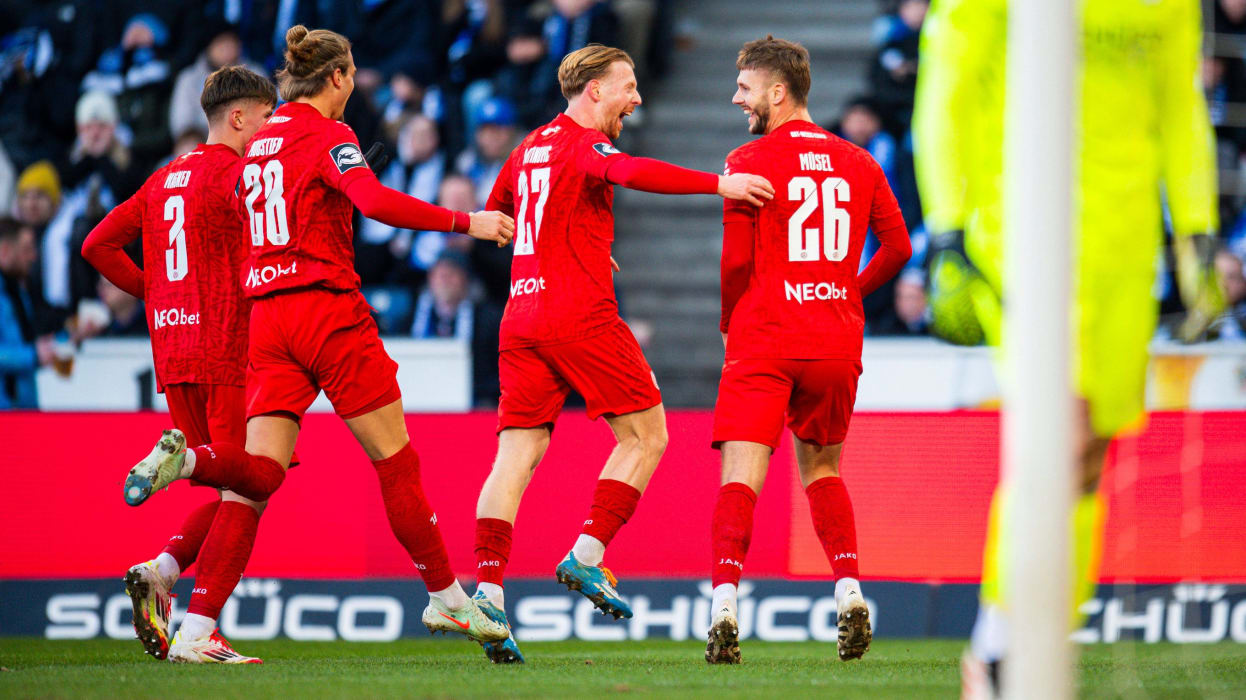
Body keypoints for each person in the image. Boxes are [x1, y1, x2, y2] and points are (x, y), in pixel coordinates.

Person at [116, 25, 515, 652]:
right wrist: (469, 221)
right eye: (351, 75)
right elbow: (374, 200)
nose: (354, 86)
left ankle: (195, 620)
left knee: (255, 482)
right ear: (336, 77)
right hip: (326, 314)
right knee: (397, 462)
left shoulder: (258, 145)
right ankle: (445, 597)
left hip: (267, 322)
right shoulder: (329, 134)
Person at [912, 1, 1223, 696]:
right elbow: (947, 89)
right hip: (1021, 230)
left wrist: (1197, 232)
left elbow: (1179, 105)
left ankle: (1019, 641)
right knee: (1060, 432)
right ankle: (1004, 655)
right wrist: (947, 226)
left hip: (1126, 246)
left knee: (1085, 458)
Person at [471, 43, 773, 664]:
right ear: (594, 91)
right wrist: (722, 184)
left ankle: (487, 594)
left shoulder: (529, 146)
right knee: (647, 435)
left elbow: (501, 214)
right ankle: (586, 557)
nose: (636, 98)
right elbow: (630, 172)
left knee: (516, 455)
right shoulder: (587, 143)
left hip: (519, 316)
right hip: (577, 313)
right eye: (627, 86)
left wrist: (564, 240)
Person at [705, 36, 911, 666]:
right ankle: (849, 592)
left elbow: (737, 259)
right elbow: (899, 248)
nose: (737, 97)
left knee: (742, 475)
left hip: (765, 335)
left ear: (777, 90)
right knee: (822, 471)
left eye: (745, 87)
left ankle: (723, 606)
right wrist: (848, 290)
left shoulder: (749, 157)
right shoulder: (861, 161)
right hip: (834, 337)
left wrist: (726, 324)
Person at [82, 65, 278, 664]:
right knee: (250, 488)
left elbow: (96, 245)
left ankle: (161, 572)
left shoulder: (163, 177)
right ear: (239, 118)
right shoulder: (240, 174)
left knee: (229, 488)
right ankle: (198, 632)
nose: (271, 130)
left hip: (174, 351)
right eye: (267, 117)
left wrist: (161, 293)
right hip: (228, 348)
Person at [0, 218, 52, 409]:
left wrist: (73, 337)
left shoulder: (17, 291)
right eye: (26, 248)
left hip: (22, 411)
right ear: (5, 250)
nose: (33, 256)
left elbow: (27, 339)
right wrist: (33, 356)